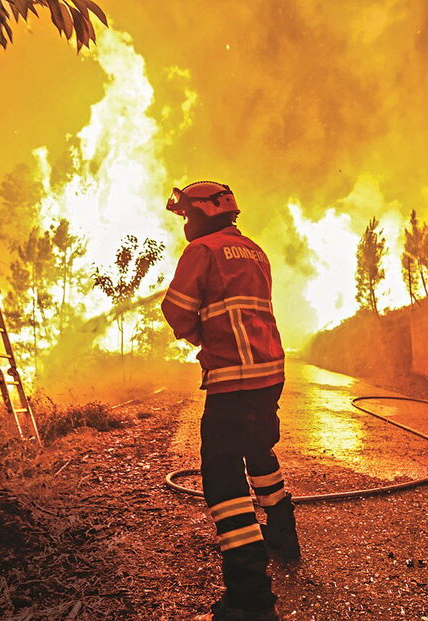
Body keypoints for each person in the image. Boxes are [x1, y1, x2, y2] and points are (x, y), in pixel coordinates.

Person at [161, 181, 300, 621]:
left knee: (222, 478)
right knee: (258, 449)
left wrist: (200, 334)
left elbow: (177, 309)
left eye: (186, 215)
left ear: (202, 213)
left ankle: (250, 597)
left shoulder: (202, 252)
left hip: (232, 377)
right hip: (269, 373)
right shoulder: (255, 251)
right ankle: (282, 533)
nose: (185, 223)